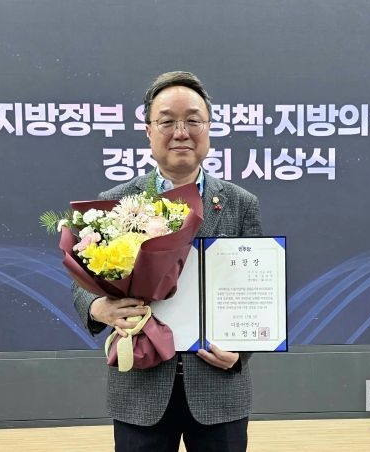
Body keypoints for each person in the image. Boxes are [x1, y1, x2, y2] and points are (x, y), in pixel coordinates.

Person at [73, 71, 262, 452]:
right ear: (148, 130)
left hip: (218, 388)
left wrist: (241, 352)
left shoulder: (241, 204)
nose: (181, 132)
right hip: (141, 389)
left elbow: (258, 291)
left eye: (193, 120)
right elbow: (82, 282)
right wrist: (98, 307)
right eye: (167, 122)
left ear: (208, 128)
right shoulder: (116, 200)